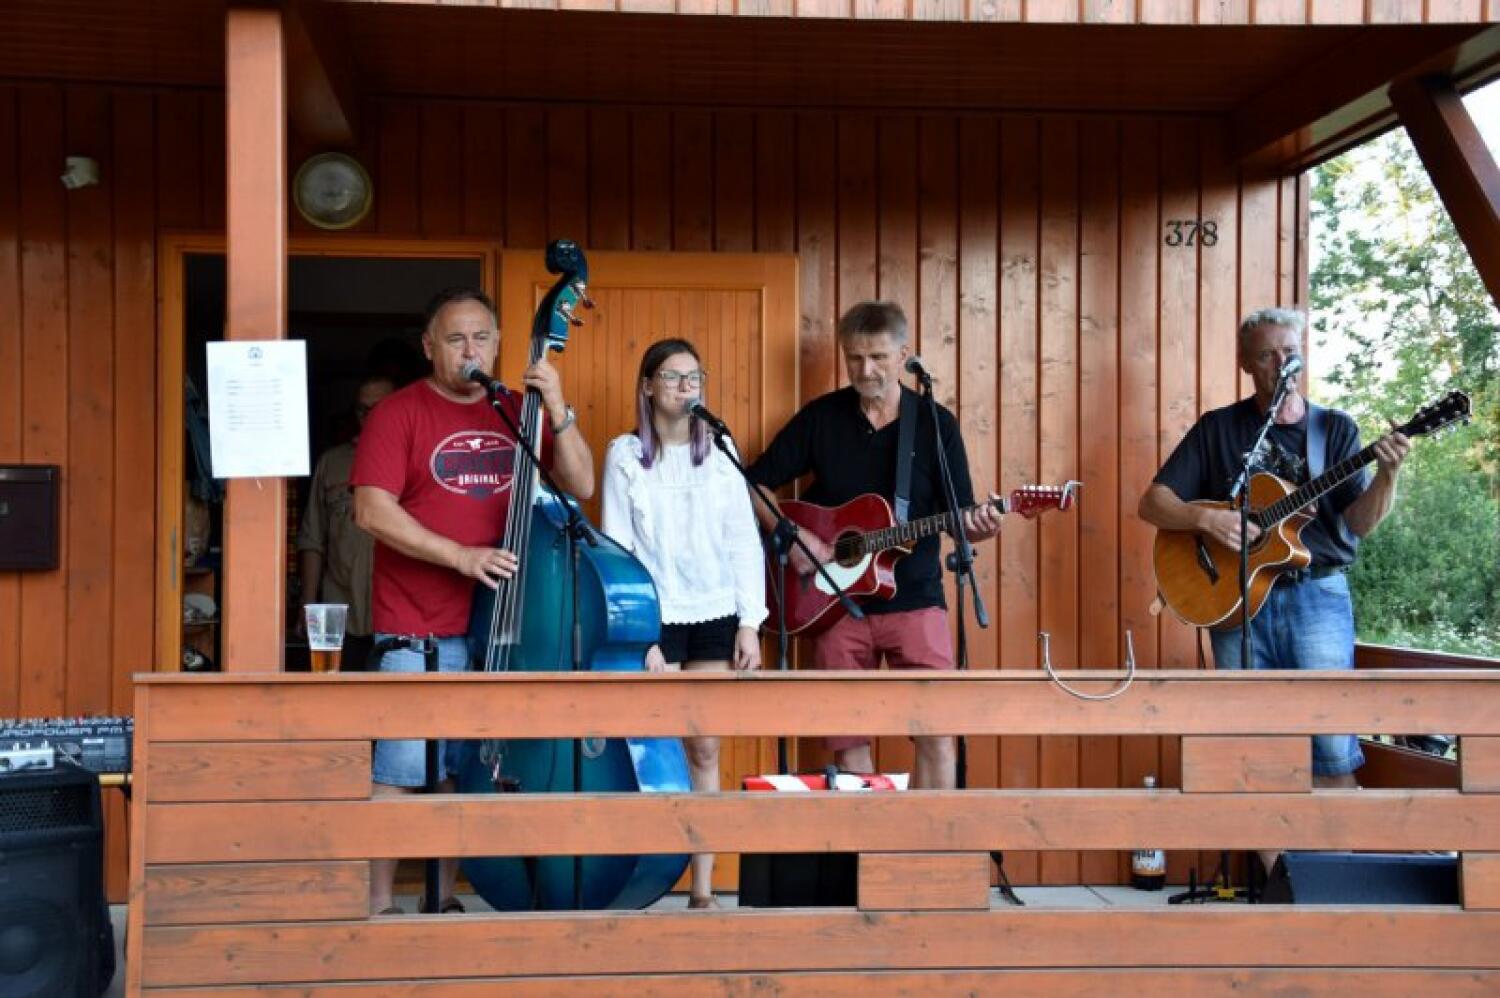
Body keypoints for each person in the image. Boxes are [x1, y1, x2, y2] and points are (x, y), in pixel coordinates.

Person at [351, 288, 594, 915]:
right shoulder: (397, 414)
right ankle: (378, 905)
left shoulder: (516, 410)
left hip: (504, 630)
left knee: (465, 770)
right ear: (429, 347)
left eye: (481, 338)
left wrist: (558, 409)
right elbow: (371, 510)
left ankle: (441, 898)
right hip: (420, 626)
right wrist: (460, 556)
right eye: (455, 339)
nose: (470, 351)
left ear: (498, 344)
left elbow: (581, 483)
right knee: (403, 770)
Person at [1138, 306, 1410, 795]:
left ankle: (1336, 847)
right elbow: (1153, 502)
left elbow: (1359, 524)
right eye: (1267, 355)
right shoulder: (1218, 429)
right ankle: (1266, 848)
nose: (1282, 364)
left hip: (1317, 597)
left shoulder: (1335, 430)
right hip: (1235, 599)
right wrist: (1208, 519)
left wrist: (1388, 474)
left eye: (1290, 353)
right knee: (1246, 748)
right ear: (1246, 363)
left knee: (1331, 747)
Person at [747, 301, 1003, 790]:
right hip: (835, 604)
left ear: (904, 355)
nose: (865, 370)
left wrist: (981, 526)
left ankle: (933, 837)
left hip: (916, 599)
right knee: (848, 741)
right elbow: (753, 483)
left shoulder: (935, 424)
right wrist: (792, 534)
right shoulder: (822, 417)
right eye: (855, 358)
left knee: (937, 734)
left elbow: (961, 520)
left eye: (879, 357)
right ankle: (864, 839)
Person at [600, 338, 767, 910]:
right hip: (657, 615)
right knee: (655, 747)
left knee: (705, 746)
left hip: (715, 611)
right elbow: (618, 547)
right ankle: (646, 876)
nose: (685, 387)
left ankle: (702, 888)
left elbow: (743, 539)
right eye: (672, 377)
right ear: (648, 386)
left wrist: (750, 621)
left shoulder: (720, 451)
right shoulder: (625, 455)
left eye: (694, 377)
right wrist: (641, 632)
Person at [297, 374, 395, 670]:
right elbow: (313, 539)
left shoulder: (416, 458)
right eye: (363, 410)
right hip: (340, 614)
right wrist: (307, 606)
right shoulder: (332, 463)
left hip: (395, 616)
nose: (370, 417)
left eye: (379, 408)